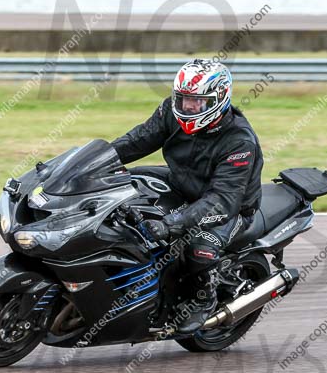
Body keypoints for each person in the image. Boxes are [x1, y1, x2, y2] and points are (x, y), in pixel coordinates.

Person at [110, 59, 264, 334]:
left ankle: (203, 298)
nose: (188, 107)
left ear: (219, 99)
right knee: (123, 183)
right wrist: (98, 160)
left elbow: (222, 201)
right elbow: (137, 141)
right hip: (183, 183)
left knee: (198, 247)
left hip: (231, 207)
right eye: (183, 99)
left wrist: (170, 224)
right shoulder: (172, 112)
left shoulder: (239, 142)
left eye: (197, 101)